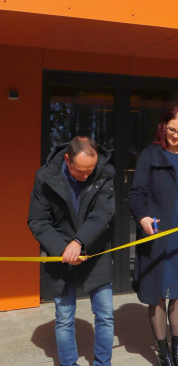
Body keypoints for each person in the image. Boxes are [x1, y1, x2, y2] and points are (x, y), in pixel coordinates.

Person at [129, 106, 178, 366]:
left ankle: (177, 352)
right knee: (157, 294)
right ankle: (163, 353)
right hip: (157, 235)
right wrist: (142, 216)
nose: (175, 135)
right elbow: (137, 193)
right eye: (171, 129)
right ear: (163, 127)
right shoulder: (150, 155)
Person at [28, 136, 115, 366]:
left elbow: (103, 215)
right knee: (64, 318)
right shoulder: (45, 177)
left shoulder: (105, 173)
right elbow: (38, 221)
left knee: (105, 316)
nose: (85, 176)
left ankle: (103, 363)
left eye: (90, 170)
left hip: (95, 251)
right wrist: (63, 250)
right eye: (80, 171)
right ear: (67, 159)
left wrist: (79, 242)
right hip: (60, 255)